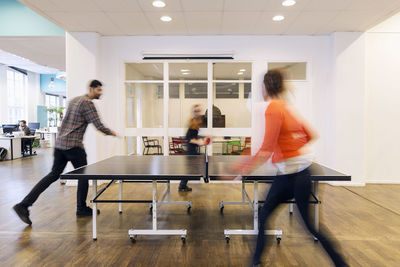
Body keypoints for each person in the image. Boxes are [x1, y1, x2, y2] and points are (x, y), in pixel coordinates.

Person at [229, 70, 348, 267]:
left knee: (309, 226)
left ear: (266, 87)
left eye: (261, 86)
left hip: (297, 177)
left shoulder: (273, 108)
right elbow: (311, 135)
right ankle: (256, 262)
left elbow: (266, 148)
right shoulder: (286, 107)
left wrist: (243, 170)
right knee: (265, 214)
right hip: (291, 174)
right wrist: (291, 150)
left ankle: (341, 264)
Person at [13, 80, 117, 225]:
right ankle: (81, 209)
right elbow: (98, 124)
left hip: (60, 145)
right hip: (74, 146)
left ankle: (23, 205)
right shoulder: (88, 104)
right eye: (98, 90)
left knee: (53, 175)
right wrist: (111, 133)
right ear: (92, 89)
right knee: (84, 176)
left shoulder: (74, 100)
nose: (100, 93)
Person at [178, 104, 207, 192]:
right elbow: (188, 138)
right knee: (191, 168)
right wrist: (199, 142)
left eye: (198, 111)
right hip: (191, 150)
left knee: (190, 169)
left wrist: (204, 136)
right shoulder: (192, 123)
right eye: (195, 111)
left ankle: (182, 185)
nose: (197, 113)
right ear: (193, 112)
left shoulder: (196, 122)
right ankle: (183, 185)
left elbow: (195, 135)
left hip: (193, 149)